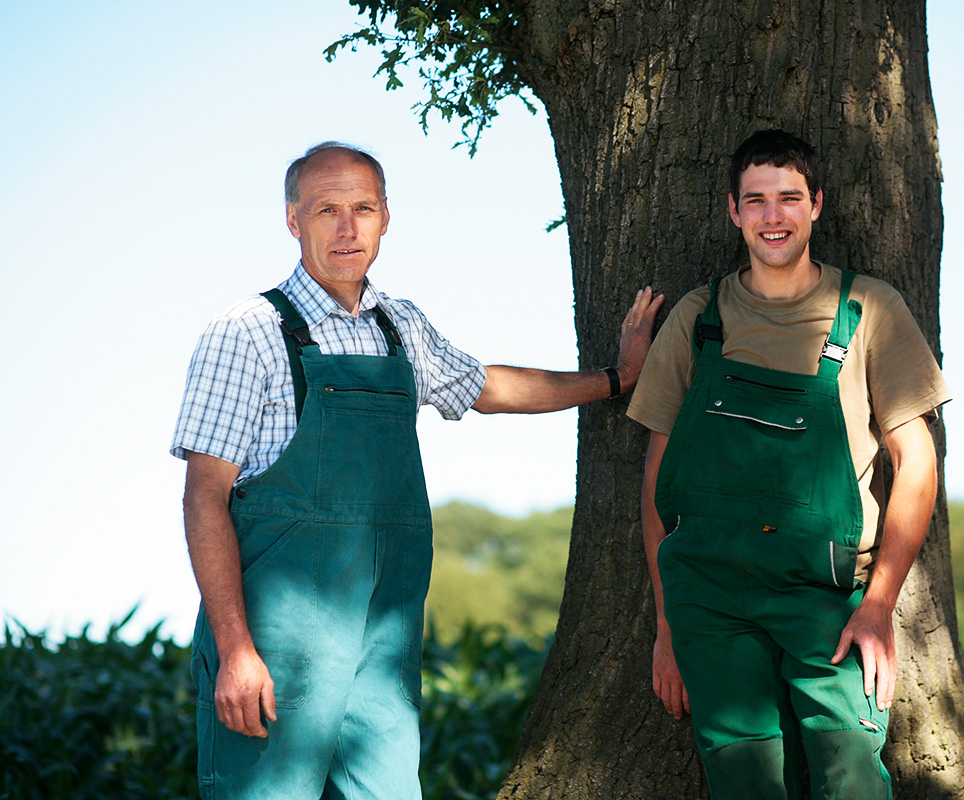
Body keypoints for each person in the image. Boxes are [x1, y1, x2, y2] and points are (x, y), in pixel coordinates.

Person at [171, 140, 663, 799]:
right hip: (277, 643)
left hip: (383, 646)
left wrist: (616, 378)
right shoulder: (249, 331)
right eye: (326, 210)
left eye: (362, 208)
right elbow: (204, 497)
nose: (347, 228)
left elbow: (489, 388)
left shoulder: (400, 328)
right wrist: (235, 650)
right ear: (294, 220)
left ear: (385, 219)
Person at [628, 129, 951, 800]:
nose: (772, 216)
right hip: (709, 602)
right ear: (733, 211)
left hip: (827, 599)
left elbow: (915, 460)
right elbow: (659, 480)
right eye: (756, 201)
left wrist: (880, 605)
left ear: (816, 205)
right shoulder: (699, 318)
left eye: (788, 199)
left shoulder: (868, 311)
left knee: (851, 777)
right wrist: (666, 626)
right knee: (744, 782)